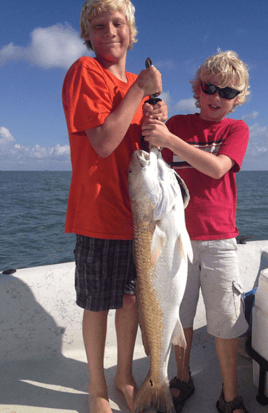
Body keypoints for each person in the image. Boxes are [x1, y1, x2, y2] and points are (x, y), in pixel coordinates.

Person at [62, 1, 168, 413]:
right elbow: (104, 143)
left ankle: (124, 373)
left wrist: (155, 121)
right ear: (87, 35)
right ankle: (97, 386)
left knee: (129, 301)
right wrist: (140, 90)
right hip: (97, 213)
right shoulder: (83, 72)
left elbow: (146, 152)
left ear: (132, 31)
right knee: (97, 305)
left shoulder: (134, 88)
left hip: (139, 217)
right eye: (99, 25)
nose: (109, 31)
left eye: (118, 22)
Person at [141, 50, 250, 413]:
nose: (217, 97)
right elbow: (154, 169)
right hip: (176, 242)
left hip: (220, 242)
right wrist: (154, 126)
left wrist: (170, 140)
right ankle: (181, 379)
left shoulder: (237, 129)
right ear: (197, 89)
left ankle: (229, 396)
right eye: (210, 87)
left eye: (228, 92)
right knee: (179, 316)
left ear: (237, 100)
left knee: (226, 323)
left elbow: (219, 169)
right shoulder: (179, 125)